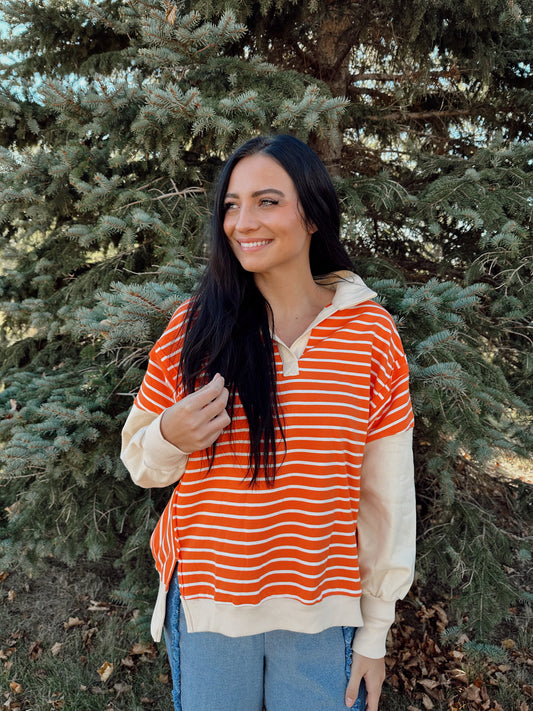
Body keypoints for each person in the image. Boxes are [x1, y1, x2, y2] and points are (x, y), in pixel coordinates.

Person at [121, 134, 416, 711]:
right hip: (210, 603)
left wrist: (376, 632)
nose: (242, 221)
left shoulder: (371, 336)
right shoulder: (195, 327)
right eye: (231, 205)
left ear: (312, 214)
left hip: (324, 612)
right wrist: (168, 437)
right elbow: (139, 460)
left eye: (267, 201)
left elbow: (388, 495)